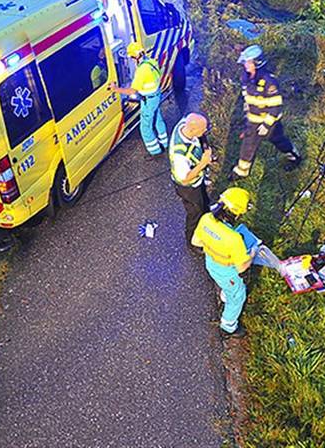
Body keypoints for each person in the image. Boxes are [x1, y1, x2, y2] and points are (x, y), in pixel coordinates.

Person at [191, 187, 261, 338]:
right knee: (237, 297)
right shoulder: (234, 239)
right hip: (228, 272)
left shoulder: (206, 218)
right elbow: (242, 267)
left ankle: (224, 296)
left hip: (210, 263)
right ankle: (228, 326)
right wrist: (253, 252)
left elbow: (195, 242)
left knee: (225, 287)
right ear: (237, 212)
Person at [232, 45, 301, 178]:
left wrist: (266, 125)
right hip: (253, 119)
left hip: (267, 122)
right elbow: (246, 95)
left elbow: (275, 107)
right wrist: (247, 110)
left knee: (277, 141)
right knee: (248, 145)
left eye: (248, 62)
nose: (245, 65)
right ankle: (241, 171)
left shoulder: (269, 82)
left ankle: (294, 157)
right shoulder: (246, 77)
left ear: (257, 63)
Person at [110, 42, 167, 157]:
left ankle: (155, 151)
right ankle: (164, 143)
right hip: (155, 96)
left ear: (135, 56)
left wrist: (116, 89)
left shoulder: (141, 71)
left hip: (148, 101)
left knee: (145, 127)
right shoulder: (151, 62)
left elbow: (132, 91)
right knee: (157, 120)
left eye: (131, 57)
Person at [170, 113, 213, 246]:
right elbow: (185, 178)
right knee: (195, 212)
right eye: (203, 130)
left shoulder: (184, 124)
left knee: (204, 203)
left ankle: (208, 222)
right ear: (193, 130)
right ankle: (192, 241)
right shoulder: (180, 155)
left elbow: (200, 135)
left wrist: (205, 147)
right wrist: (203, 163)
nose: (205, 131)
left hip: (197, 182)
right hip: (188, 188)